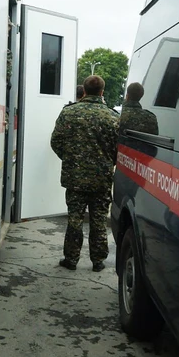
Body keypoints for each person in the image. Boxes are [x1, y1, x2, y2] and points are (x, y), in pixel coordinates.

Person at [50, 75, 118, 272]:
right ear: (102, 92)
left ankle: (71, 259)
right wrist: (108, 162)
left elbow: (56, 141)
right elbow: (119, 149)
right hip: (101, 179)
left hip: (75, 178)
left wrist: (71, 159)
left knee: (75, 219)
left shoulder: (69, 113)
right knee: (99, 220)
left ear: (84, 91)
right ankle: (98, 261)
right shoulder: (113, 117)